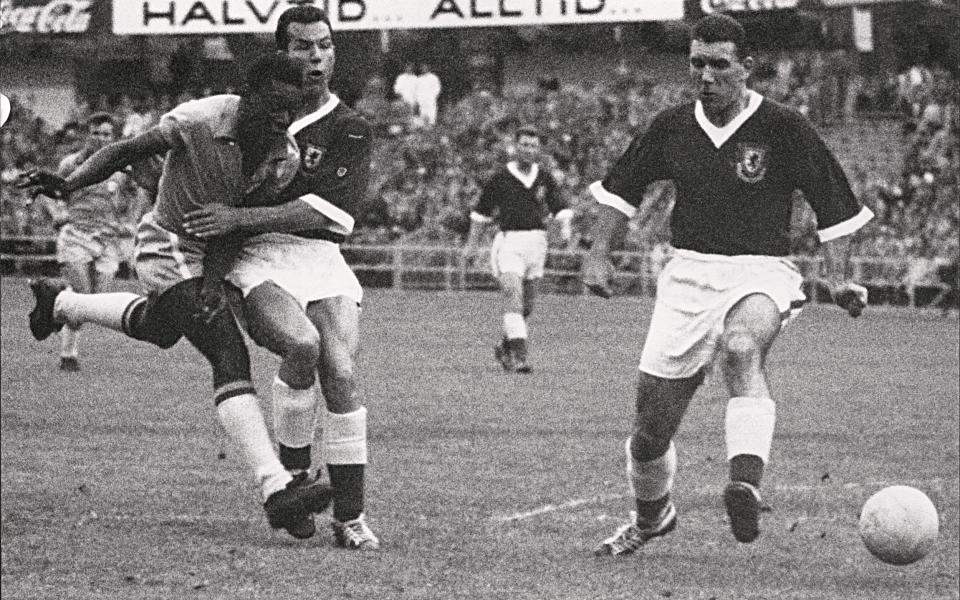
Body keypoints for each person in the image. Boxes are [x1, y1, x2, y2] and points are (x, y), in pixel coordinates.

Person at [582, 14, 872, 556]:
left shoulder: (785, 127)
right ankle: (652, 516)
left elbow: (836, 208)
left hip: (763, 270)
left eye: (719, 64)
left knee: (742, 349)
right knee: (648, 435)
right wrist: (598, 256)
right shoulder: (670, 126)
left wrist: (839, 279)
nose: (707, 75)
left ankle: (743, 483)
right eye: (697, 63)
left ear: (746, 68)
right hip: (688, 275)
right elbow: (620, 192)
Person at [18, 52, 335, 539]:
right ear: (248, 98)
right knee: (226, 350)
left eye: (290, 110)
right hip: (167, 245)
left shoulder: (282, 158)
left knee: (161, 328)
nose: (281, 118)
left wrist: (212, 283)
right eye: (274, 105)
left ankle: (61, 304)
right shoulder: (201, 118)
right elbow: (126, 150)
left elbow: (237, 225)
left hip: (210, 256)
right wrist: (68, 184)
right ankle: (276, 489)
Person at [181, 5, 379, 550]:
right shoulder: (246, 115)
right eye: (302, 47)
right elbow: (185, 154)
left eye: (324, 46)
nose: (315, 56)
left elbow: (327, 213)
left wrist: (238, 215)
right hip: (255, 255)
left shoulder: (350, 127)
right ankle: (294, 484)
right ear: (281, 53)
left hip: (319, 255)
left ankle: (350, 516)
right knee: (302, 345)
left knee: (341, 369)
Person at [38, 112, 147, 372]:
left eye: (107, 134)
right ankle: (68, 356)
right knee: (82, 296)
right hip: (76, 236)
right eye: (96, 133)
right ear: (88, 134)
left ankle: (51, 302)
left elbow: (142, 189)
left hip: (107, 239)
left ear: (114, 137)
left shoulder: (121, 168)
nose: (101, 138)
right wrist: (58, 213)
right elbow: (45, 190)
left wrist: (131, 219)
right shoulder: (70, 164)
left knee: (96, 301)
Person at [464, 126, 573, 373]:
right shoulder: (500, 178)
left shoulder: (544, 177)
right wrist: (472, 246)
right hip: (509, 243)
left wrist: (565, 233)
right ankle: (520, 358)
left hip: (537, 244)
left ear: (538, 150)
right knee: (513, 295)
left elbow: (561, 209)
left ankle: (505, 346)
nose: (528, 149)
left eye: (533, 146)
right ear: (515, 147)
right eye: (524, 144)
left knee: (527, 306)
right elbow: (480, 214)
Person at [414, 63, 441, 127]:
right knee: (422, 113)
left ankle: (431, 125)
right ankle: (424, 127)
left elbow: (437, 88)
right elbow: (417, 90)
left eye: (425, 67)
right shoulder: (419, 79)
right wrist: (418, 99)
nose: (424, 69)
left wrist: (432, 96)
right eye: (422, 68)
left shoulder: (433, 77)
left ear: (428, 68)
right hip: (422, 100)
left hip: (430, 99)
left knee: (431, 113)